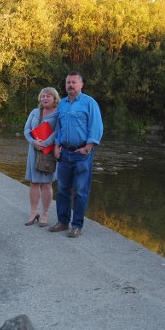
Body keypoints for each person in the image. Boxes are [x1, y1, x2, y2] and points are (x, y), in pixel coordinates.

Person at [49, 71, 103, 237]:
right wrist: (57, 146)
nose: (70, 85)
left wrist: (88, 147)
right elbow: (60, 127)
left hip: (82, 153)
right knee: (63, 189)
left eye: (73, 82)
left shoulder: (89, 103)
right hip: (65, 153)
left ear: (81, 85)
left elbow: (97, 126)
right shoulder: (63, 104)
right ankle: (63, 221)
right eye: (68, 83)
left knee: (80, 190)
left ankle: (76, 225)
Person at [23, 87, 60, 227]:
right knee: (33, 182)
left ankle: (44, 214)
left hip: (48, 152)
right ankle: (33, 213)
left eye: (48, 96)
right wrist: (34, 142)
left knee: (47, 183)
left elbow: (58, 131)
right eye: (43, 96)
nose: (45, 98)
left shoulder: (58, 113)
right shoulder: (34, 112)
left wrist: (44, 143)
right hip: (34, 151)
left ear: (55, 99)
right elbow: (26, 129)